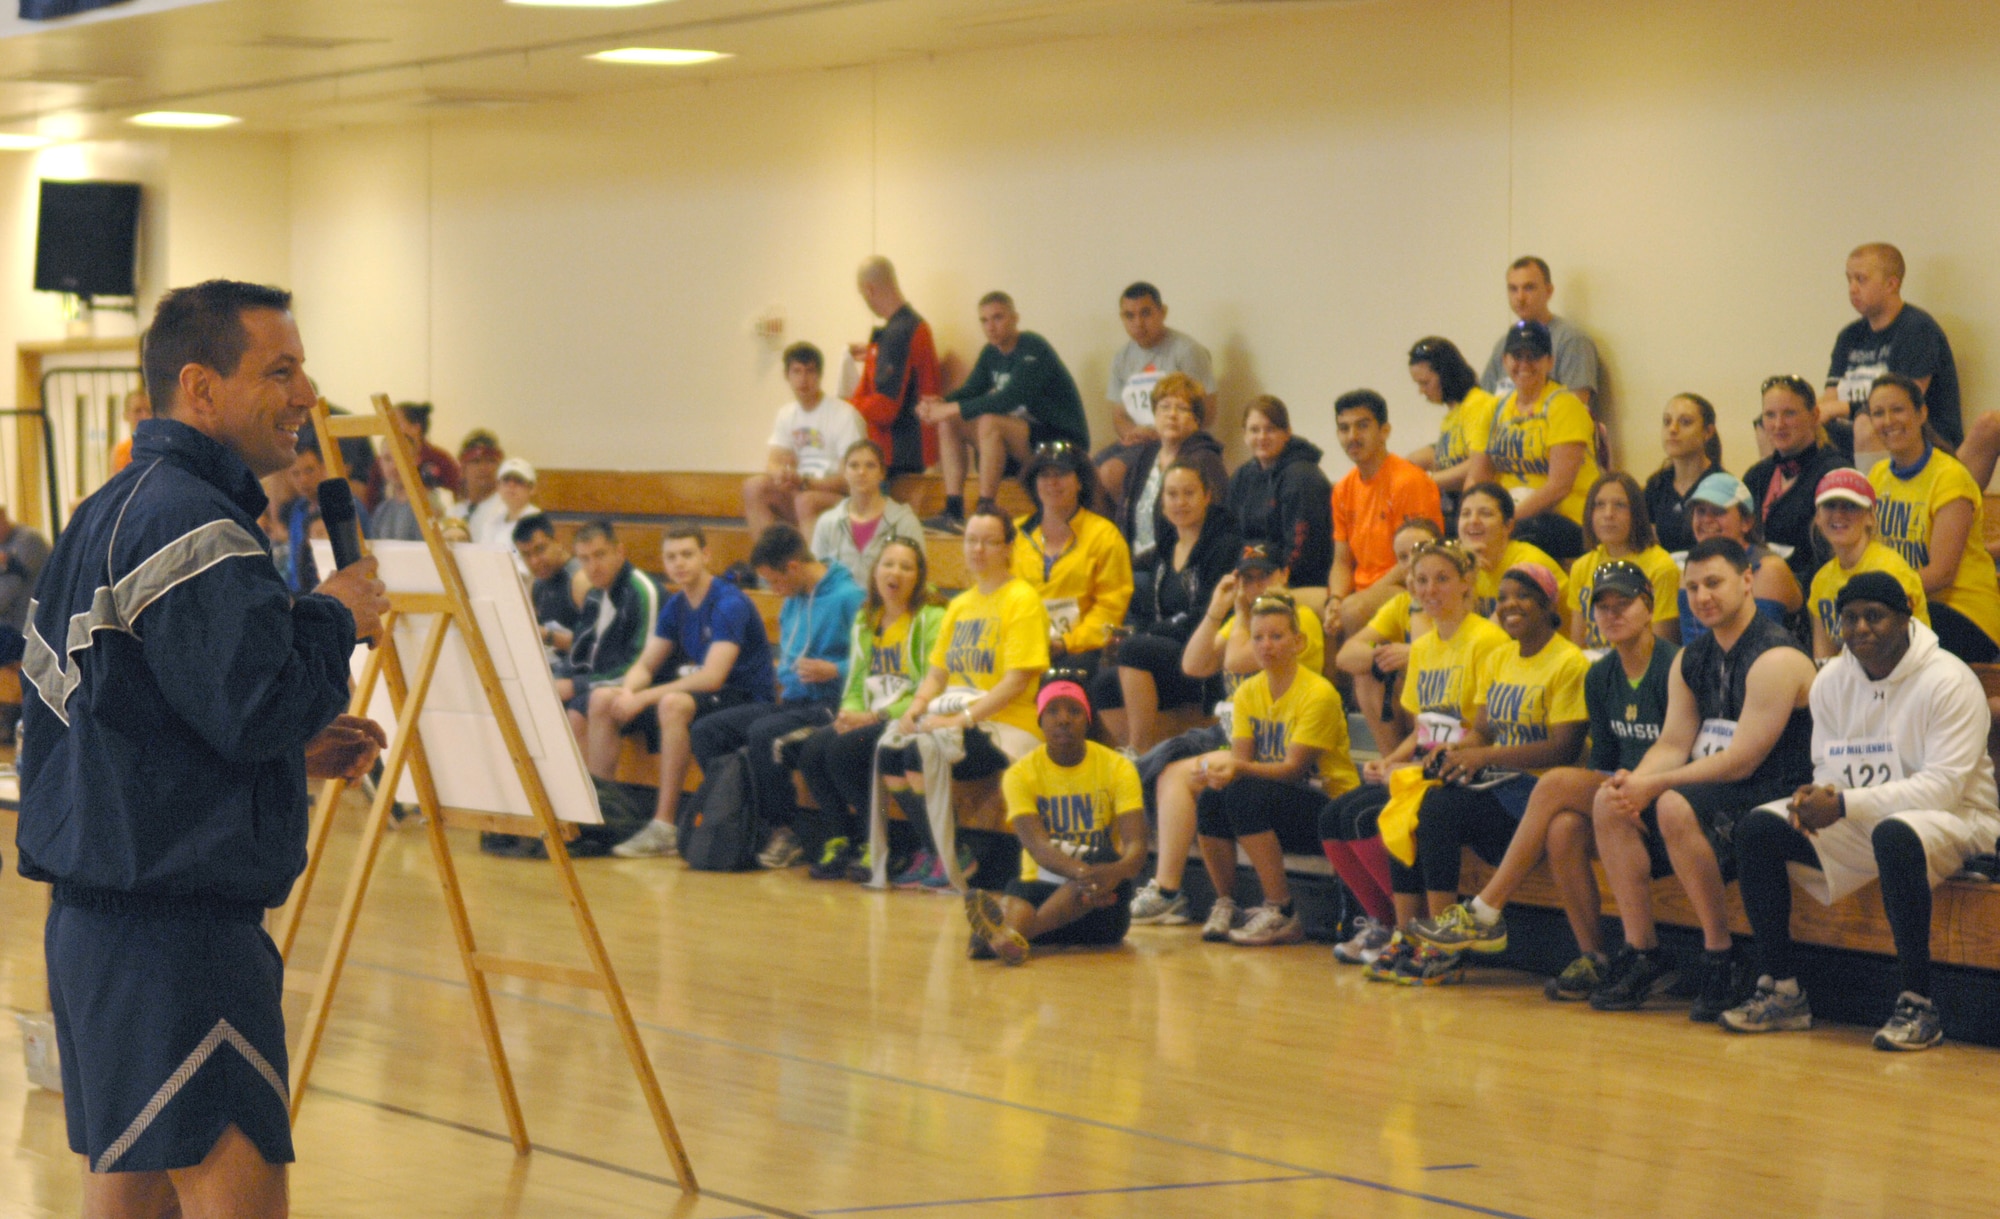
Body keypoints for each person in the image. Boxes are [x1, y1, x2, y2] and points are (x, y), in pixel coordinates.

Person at [19, 278, 390, 1214]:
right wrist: (331, 614)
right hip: (176, 935)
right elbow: (258, 700)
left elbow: (131, 715)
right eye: (281, 369)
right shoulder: (190, 523)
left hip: (108, 924)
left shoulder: (112, 509)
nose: (306, 394)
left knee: (132, 1198)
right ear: (201, 387)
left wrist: (285, 758)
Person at [1720, 573, 2000, 1048]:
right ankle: (1783, 990)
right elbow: (1830, 762)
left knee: (1895, 833)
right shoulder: (1832, 679)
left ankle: (1918, 1003)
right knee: (1760, 829)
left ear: (1905, 617)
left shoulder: (1950, 680)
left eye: (1875, 616)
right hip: (1869, 815)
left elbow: (1944, 787)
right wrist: (1817, 798)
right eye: (1849, 618)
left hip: (1961, 820)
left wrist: (1845, 803)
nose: (1861, 628)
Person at [1405, 560, 1676, 999]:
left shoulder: (1671, 666)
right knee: (1562, 827)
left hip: (1666, 797)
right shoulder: (1602, 674)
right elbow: (1603, 760)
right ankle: (1597, 958)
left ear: (1649, 605)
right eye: (1602, 606)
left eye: (1623, 603)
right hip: (1618, 799)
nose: (1612, 614)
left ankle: (1484, 910)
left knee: (1552, 785)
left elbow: (1574, 750)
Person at [1587, 538, 1817, 1018]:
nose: (1702, 596)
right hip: (1717, 791)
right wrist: (1636, 780)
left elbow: (1743, 760)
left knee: (1672, 803)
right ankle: (1643, 951)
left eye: (1714, 583)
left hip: (1776, 794)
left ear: (1748, 580)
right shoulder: (1692, 658)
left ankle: (1721, 954)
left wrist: (1656, 786)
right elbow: (1673, 742)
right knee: (1607, 802)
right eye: (1692, 588)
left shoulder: (1776, 656)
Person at [1374, 564, 1589, 985]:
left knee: (1438, 807)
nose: (1510, 605)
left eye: (1522, 596)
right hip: (1497, 783)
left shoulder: (1569, 662)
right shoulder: (1500, 658)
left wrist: (1485, 754)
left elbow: (1564, 747)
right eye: (1504, 596)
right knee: (1410, 798)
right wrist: (1455, 749)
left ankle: (1444, 947)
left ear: (1548, 605)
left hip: (1537, 794)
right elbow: (1485, 731)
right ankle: (1412, 934)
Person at [1321, 539, 1508, 966]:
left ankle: (1437, 938)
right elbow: (1425, 725)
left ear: (1467, 583)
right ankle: (1400, 931)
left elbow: (1483, 730)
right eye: (1421, 580)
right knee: (1336, 814)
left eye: (1442, 579)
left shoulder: (1487, 640)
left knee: (1415, 807)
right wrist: (1392, 760)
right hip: (1425, 762)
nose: (1430, 589)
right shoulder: (1422, 647)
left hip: (1465, 769)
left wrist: (1419, 766)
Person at [1128, 543, 1325, 925]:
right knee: (1165, 763)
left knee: (1176, 772)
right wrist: (1218, 609)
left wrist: (1238, 616)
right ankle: (1169, 888)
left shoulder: (1296, 622)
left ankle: (1168, 889)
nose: (1255, 586)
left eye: (1264, 576)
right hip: (1232, 729)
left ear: (1284, 575)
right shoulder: (1240, 621)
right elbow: (1193, 664)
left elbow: (1235, 660)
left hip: (1277, 737)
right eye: (1246, 579)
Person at [880, 505, 1050, 891]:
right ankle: (940, 849)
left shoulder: (1022, 599)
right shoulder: (959, 604)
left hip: (1005, 725)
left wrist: (960, 721)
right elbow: (937, 672)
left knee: (917, 754)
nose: (978, 549)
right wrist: (916, 709)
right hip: (958, 719)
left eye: (989, 541)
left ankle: (950, 852)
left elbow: (1016, 681)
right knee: (892, 754)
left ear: (1008, 547)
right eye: (971, 540)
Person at [686, 525, 865, 870]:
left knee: (765, 734)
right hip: (795, 703)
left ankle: (786, 832)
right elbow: (788, 660)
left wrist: (834, 669)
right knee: (708, 730)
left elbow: (870, 659)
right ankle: (741, 820)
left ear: (794, 568)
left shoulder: (848, 598)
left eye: (775, 581)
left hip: (832, 704)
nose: (773, 590)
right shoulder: (791, 602)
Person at [1186, 592, 1360, 947]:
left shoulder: (1318, 693)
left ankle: (1281, 910)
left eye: (1277, 636)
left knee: (1243, 793)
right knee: (1213, 796)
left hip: (1327, 804)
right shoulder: (1249, 692)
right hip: (1272, 799)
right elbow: (1241, 759)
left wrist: (1234, 768)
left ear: (1298, 642)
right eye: (1259, 637)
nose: (1267, 645)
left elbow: (1295, 769)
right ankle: (1227, 903)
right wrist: (1219, 772)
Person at [594, 525, 770, 858]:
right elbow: (645, 666)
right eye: (671, 557)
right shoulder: (676, 605)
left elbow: (712, 677)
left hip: (743, 696)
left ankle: (665, 826)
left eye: (687, 554)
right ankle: (602, 814)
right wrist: (628, 692)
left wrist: (644, 697)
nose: (680, 563)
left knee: (673, 704)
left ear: (705, 556)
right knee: (604, 699)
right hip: (707, 696)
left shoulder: (728, 602)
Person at [965, 681, 1149, 965]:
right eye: (1053, 711)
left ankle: (1005, 938)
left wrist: (1114, 871)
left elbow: (1136, 847)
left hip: (1101, 905)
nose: (1063, 719)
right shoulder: (1020, 774)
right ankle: (1011, 935)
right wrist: (1081, 873)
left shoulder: (1118, 767)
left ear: (1087, 720)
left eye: (1074, 711)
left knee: (1102, 857)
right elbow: (1038, 848)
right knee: (1021, 888)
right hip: (1045, 886)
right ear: (1040, 720)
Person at [795, 538, 945, 880]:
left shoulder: (930, 618)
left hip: (907, 717)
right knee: (812, 750)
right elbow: (858, 679)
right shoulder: (866, 618)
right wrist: (849, 714)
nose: (896, 573)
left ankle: (879, 844)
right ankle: (840, 838)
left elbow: (931, 684)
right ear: (875, 572)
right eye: (888, 564)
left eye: (906, 567)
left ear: (919, 577)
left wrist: (873, 717)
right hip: (869, 716)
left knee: (843, 751)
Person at [1093, 460, 1240, 751]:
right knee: (1103, 684)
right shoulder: (1166, 547)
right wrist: (1136, 632)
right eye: (1172, 494)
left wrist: (1150, 635)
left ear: (1207, 496)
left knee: (1135, 650)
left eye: (1189, 493)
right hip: (1165, 650)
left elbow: (1207, 612)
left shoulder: (1224, 545)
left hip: (1203, 655)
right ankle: (1139, 750)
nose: (1180, 502)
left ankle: (1140, 752)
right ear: (1162, 503)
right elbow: (1150, 612)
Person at [919, 291, 1088, 532]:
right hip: (1024, 441)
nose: (991, 326)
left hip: (1062, 442)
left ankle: (985, 508)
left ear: (1014, 318)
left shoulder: (1033, 348)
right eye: (984, 320)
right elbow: (971, 390)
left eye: (998, 318)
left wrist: (948, 408)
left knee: (989, 421)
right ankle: (953, 510)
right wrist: (938, 403)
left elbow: (1008, 399)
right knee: (950, 422)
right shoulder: (991, 353)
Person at [1863, 374, 2000, 663]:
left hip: (1962, 612)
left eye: (1898, 409)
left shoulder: (1950, 477)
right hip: (1907, 606)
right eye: (1878, 413)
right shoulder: (1877, 476)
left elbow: (1940, 573)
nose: (1888, 420)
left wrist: (1876, 591)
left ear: (1921, 413)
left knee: (1885, 632)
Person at [1466, 320, 1600, 563]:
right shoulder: (1493, 410)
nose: (1524, 364)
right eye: (1517, 356)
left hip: (1564, 517)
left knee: (1531, 532)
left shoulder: (1565, 406)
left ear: (1549, 362)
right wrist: (1470, 520)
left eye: (1533, 356)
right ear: (1505, 360)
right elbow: (1477, 479)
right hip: (1509, 515)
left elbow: (1559, 486)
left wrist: (1507, 522)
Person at [1818, 242, 1962, 465]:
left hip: (1919, 436)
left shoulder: (1917, 329)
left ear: (1891, 284)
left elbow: (1903, 404)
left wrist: (1839, 408)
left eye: (1861, 279)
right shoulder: (1849, 335)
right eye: (1849, 280)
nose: (1852, 288)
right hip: (1853, 429)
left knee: (1868, 423)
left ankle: (1874, 499)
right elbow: (1830, 399)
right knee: (1784, 423)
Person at [1324, 388, 1444, 641]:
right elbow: (1342, 561)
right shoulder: (1343, 489)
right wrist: (1335, 599)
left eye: (1362, 426)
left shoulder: (1409, 481)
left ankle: (1362, 681)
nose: (1352, 436)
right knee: (1291, 605)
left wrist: (1360, 597)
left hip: (1407, 585)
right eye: (1344, 428)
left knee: (1353, 610)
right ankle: (1324, 682)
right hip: (1360, 588)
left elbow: (1417, 559)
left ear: (1384, 431)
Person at [1011, 441, 1132, 676]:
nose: (1052, 482)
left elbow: (1110, 607)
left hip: (1082, 651)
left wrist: (1067, 642)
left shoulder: (1105, 535)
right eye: (1044, 475)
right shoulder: (1014, 534)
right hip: (1021, 645)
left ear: (1079, 482)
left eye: (1062, 474)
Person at [1095, 282, 1214, 507]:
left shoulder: (1186, 351)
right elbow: (1119, 415)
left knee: (1112, 472)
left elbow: (1206, 412)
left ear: (1163, 312)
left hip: (1175, 440)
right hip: (1138, 439)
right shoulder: (1122, 357)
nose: (1138, 323)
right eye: (1129, 316)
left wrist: (1163, 432)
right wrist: (1133, 433)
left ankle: (1139, 527)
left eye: (1146, 313)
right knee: (1085, 473)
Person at [1332, 518, 1444, 757]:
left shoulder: (1457, 597)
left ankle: (1406, 763)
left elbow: (1436, 663)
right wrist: (1389, 656)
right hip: (1415, 705)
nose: (1412, 561)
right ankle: (1392, 764)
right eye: (1403, 557)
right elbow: (1345, 656)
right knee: (1369, 674)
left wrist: (1412, 654)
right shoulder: (1401, 602)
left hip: (1455, 704)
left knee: (1422, 676)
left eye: (1420, 550)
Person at [745, 341, 867, 535]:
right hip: (800, 490)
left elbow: (851, 479)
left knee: (806, 500)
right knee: (754, 487)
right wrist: (781, 474)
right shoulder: (786, 414)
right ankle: (767, 559)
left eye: (810, 371)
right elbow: (773, 462)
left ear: (819, 375)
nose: (803, 379)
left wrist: (805, 483)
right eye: (797, 371)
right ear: (787, 375)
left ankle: (810, 563)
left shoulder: (844, 415)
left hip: (840, 497)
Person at [1806, 469, 1929, 660]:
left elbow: (1903, 652)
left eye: (1851, 506)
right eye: (1830, 505)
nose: (1839, 514)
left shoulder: (1890, 571)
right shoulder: (1821, 581)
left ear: (1870, 517)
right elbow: (1823, 659)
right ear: (1818, 518)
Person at [1112, 372, 1229, 573]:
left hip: (1177, 567)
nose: (1171, 414)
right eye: (1164, 407)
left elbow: (1210, 527)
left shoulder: (1205, 460)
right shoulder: (1146, 456)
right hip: (1135, 565)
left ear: (1196, 419)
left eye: (1182, 408)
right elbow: (1125, 512)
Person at [1743, 374, 1847, 588]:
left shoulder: (1834, 475)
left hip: (1814, 594)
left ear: (1815, 415)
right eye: (1770, 415)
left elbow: (1837, 556)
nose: (1778, 424)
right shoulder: (1757, 476)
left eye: (1789, 413)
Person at [1678, 472, 1802, 647]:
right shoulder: (1689, 572)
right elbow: (1692, 647)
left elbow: (1759, 647)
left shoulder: (1768, 570)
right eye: (1700, 511)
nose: (1706, 520)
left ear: (1747, 522)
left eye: (1718, 511)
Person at [1226, 395, 1334, 588]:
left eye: (1270, 429)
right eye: (1254, 430)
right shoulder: (1242, 476)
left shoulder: (1302, 478)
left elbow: (1305, 551)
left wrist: (1271, 582)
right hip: (1250, 576)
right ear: (1244, 434)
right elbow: (1230, 534)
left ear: (1287, 433)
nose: (1262, 437)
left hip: (1298, 583)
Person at [847, 257, 940, 476]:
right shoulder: (912, 326)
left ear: (869, 289)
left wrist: (845, 405)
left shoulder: (898, 333)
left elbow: (885, 408)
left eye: (862, 295)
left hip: (900, 456)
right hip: (916, 452)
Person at [1566, 473, 1680, 649]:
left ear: (1637, 513)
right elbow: (1577, 645)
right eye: (1599, 505)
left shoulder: (1660, 566)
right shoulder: (1581, 567)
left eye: (1620, 505)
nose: (1608, 514)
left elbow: (1662, 648)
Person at [555, 522, 662, 706]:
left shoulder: (642, 591)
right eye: (584, 559)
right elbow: (579, 650)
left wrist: (576, 685)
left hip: (643, 688)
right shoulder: (594, 594)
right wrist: (558, 680)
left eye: (600, 555)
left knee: (580, 707)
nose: (593, 567)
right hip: (599, 682)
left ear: (619, 552)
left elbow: (644, 665)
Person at [1478, 256, 1602, 411]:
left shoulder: (1571, 341)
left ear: (1549, 291)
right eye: (1513, 289)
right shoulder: (1503, 344)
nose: (1520, 297)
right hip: (1504, 432)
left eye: (1529, 288)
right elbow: (1482, 404)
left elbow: (1576, 408)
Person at [1404, 336, 1498, 525]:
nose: (1421, 391)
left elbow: (1478, 465)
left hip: (1479, 505)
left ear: (1445, 375)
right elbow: (1444, 461)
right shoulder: (1452, 415)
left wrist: (1426, 481)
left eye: (1424, 383)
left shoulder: (1477, 404)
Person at [810, 438, 925, 587]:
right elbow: (816, 579)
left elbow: (918, 575)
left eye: (870, 466)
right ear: (844, 472)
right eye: (853, 465)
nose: (861, 472)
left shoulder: (904, 522)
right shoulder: (827, 522)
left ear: (882, 473)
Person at [1454, 481, 1564, 620]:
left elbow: (1497, 634)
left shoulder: (1529, 564)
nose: (1473, 520)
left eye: (1485, 514)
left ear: (1509, 526)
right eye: (1465, 514)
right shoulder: (1463, 563)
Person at [1642, 393, 1723, 554]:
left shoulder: (1722, 485)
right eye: (1667, 421)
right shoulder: (1656, 486)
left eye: (1685, 422)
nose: (1673, 429)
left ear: (1708, 432)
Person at [512, 514, 588, 651]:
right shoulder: (536, 585)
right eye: (526, 555)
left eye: (540, 549)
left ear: (558, 541)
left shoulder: (580, 580)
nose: (534, 561)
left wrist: (548, 637)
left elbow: (601, 646)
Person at [366, 401, 460, 508]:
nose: (389, 429)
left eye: (395, 424)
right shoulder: (382, 460)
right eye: (388, 459)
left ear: (416, 428)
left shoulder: (440, 460)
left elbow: (455, 497)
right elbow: (371, 504)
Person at [449, 430, 506, 545]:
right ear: (463, 469)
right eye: (476, 461)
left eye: (490, 461)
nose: (483, 468)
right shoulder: (454, 512)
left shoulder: (505, 511)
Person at [482, 457, 540, 549]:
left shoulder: (537, 522)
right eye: (506, 480)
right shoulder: (492, 520)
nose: (511, 485)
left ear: (532, 488)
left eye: (519, 481)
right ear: (498, 486)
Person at [109, 384, 151, 474]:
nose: (145, 416)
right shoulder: (120, 452)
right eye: (138, 411)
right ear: (126, 416)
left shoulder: (163, 448)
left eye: (149, 410)